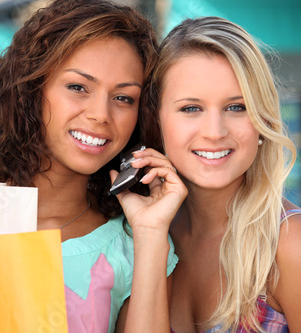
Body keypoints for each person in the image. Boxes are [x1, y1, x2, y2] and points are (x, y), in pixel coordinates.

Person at [0, 0, 186, 331]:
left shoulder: (133, 245)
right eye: (78, 87)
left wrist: (149, 235)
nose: (101, 114)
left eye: (123, 98)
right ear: (32, 89)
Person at [132, 16, 301, 332]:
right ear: (156, 119)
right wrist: (150, 235)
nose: (214, 131)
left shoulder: (290, 244)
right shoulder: (148, 231)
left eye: (237, 107)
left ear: (261, 118)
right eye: (191, 108)